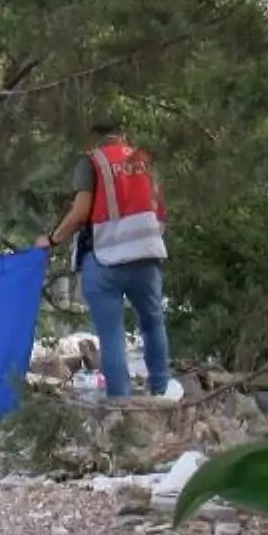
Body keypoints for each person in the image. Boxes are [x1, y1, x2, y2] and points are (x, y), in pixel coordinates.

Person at [35, 120, 171, 398]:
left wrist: (50, 240)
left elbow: (82, 211)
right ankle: (161, 393)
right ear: (123, 135)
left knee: (112, 337)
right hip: (146, 257)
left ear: (94, 138)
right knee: (153, 323)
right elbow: (159, 209)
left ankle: (119, 404)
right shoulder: (145, 161)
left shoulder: (92, 161)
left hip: (105, 258)